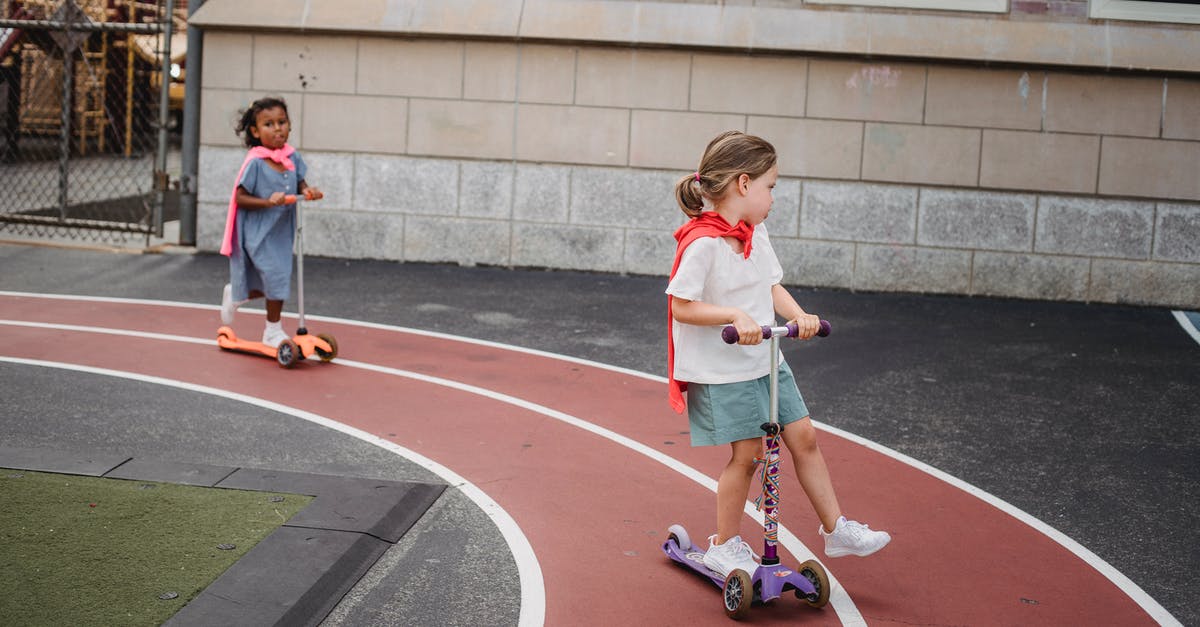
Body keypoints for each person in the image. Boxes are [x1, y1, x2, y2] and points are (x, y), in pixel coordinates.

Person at [666, 130, 890, 578]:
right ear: (744, 184)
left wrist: (800, 315)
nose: (773, 196)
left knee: (803, 435)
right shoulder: (702, 242)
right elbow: (680, 305)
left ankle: (836, 529)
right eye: (771, 186)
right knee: (748, 454)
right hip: (721, 368)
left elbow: (770, 284)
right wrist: (732, 315)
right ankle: (724, 545)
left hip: (766, 359)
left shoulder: (755, 232)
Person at [218, 96, 322, 347]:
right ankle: (273, 331)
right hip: (257, 230)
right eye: (269, 124)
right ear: (255, 131)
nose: (277, 128)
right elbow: (240, 197)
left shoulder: (292, 156)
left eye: (282, 122)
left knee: (276, 279)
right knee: (275, 276)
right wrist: (267, 201)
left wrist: (308, 191)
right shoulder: (255, 162)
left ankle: (237, 294)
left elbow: (299, 182)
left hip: (281, 230)